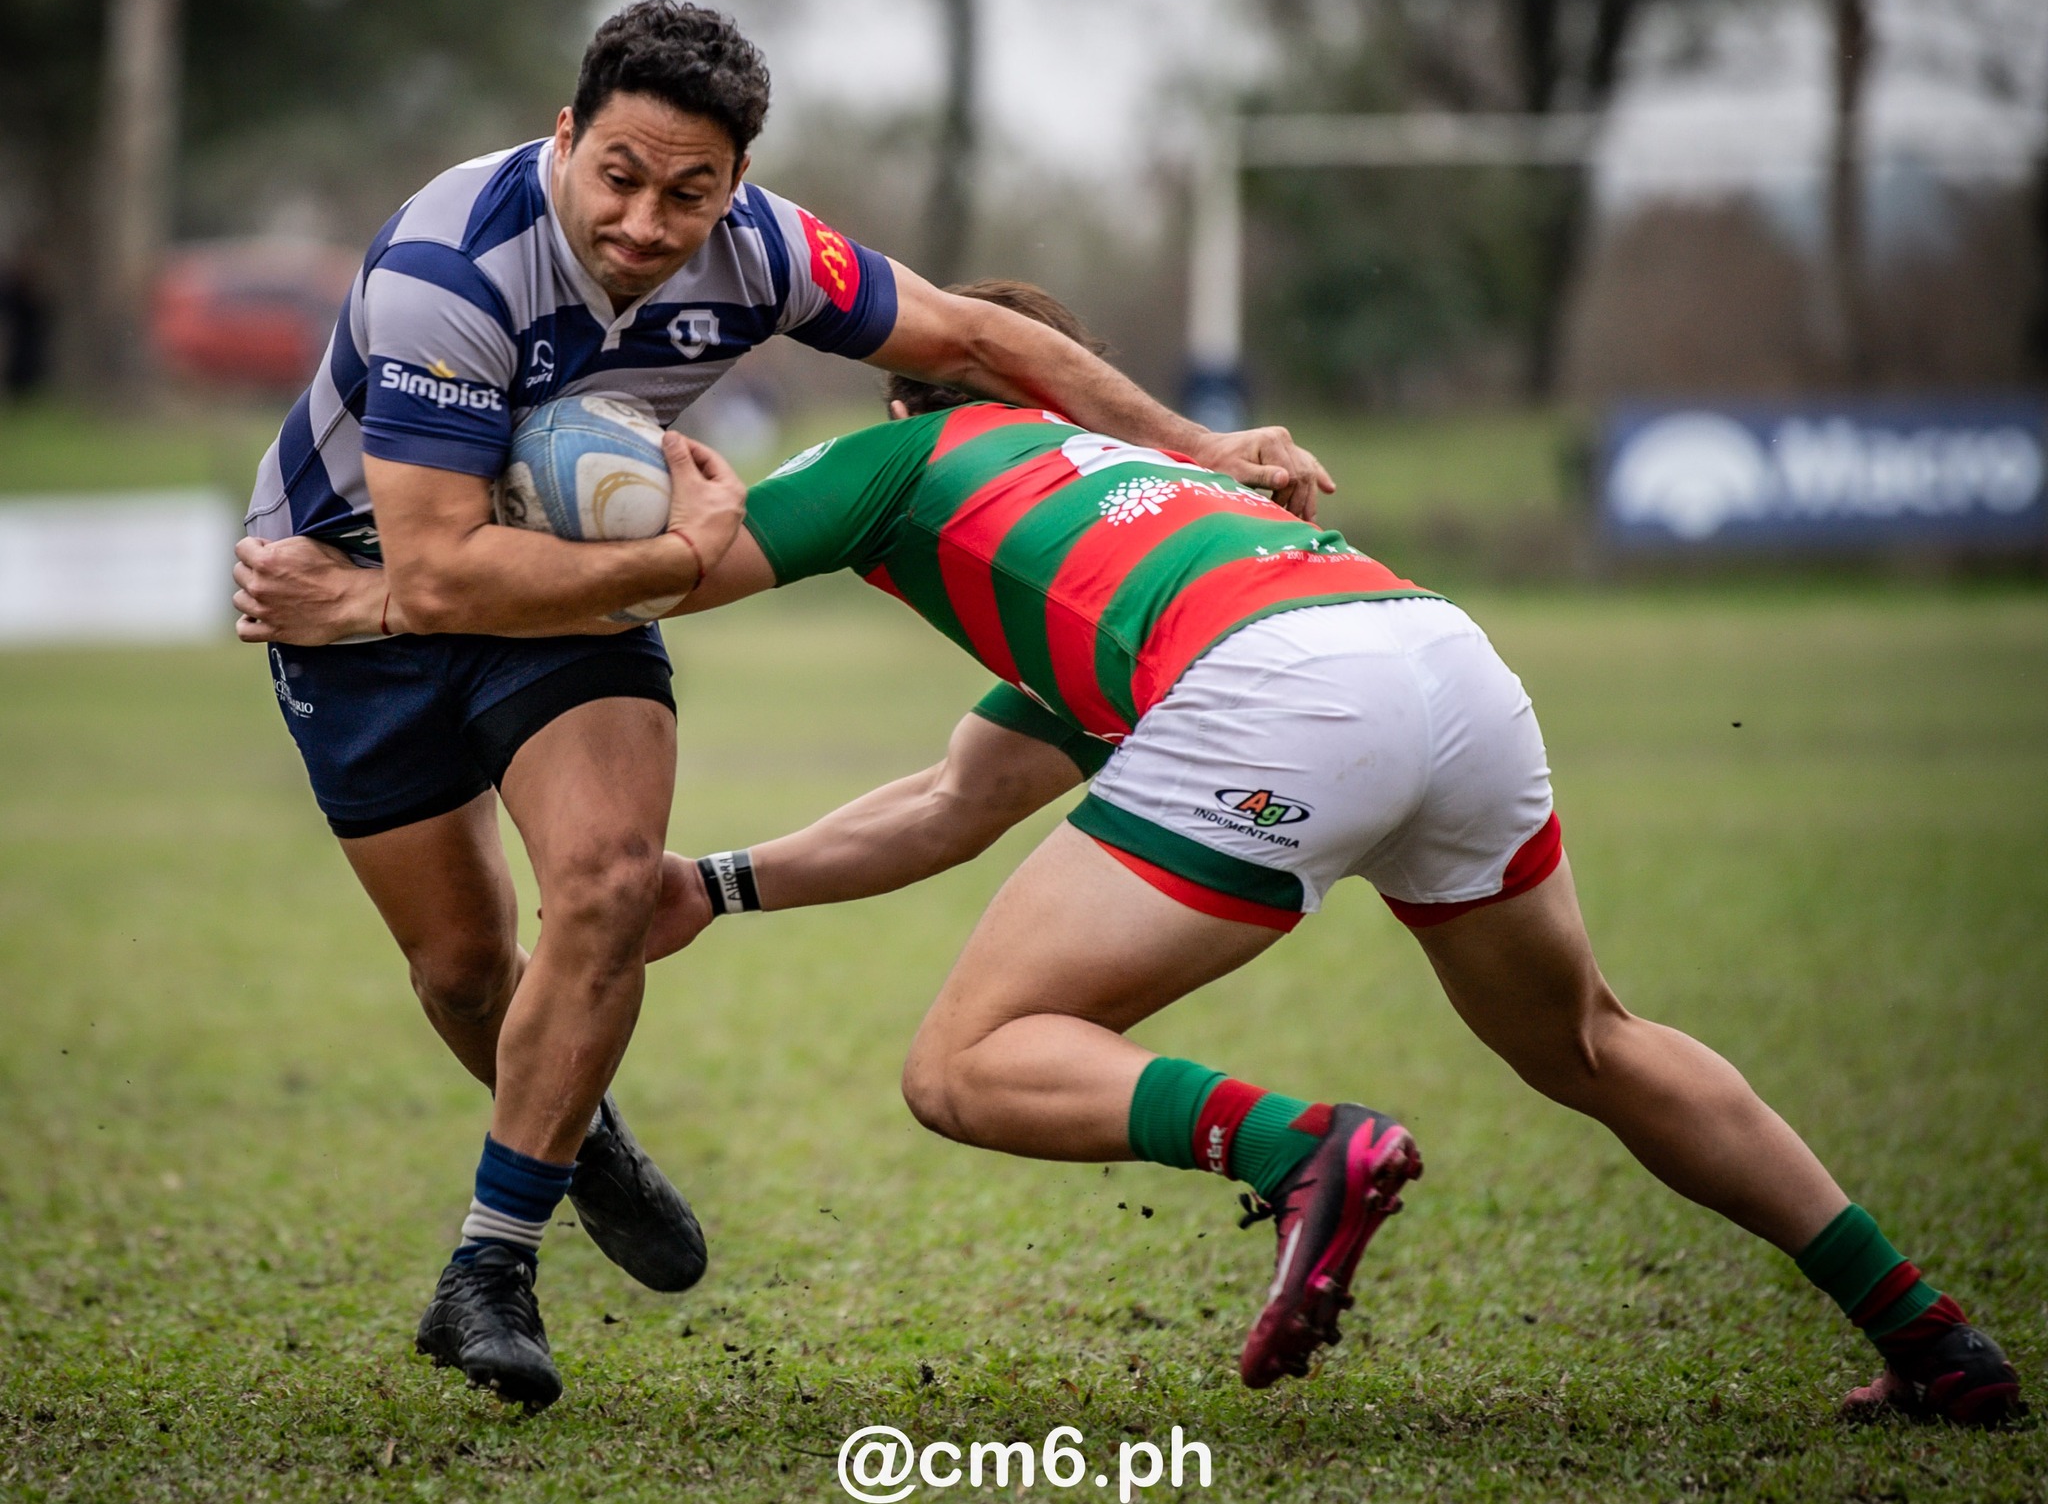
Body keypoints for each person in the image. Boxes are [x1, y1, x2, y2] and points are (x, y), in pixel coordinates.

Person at [255, 279, 2024, 1424]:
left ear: (923, 394)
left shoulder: (908, 457)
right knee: (1592, 1039)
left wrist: (568, 530)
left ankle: (1308, 1146)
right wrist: (714, 886)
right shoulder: (1132, 501)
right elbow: (954, 801)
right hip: (1441, 657)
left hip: (1277, 695)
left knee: (964, 1066)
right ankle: (1928, 1332)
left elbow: (646, 581)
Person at [231, 2, 1333, 1412]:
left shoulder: (764, 251)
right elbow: (439, 569)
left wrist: (1198, 444)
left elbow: (984, 339)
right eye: (619, 174)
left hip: (563, 595)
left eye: (690, 190)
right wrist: (669, 558)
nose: (646, 219)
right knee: (461, 964)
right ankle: (582, 1134)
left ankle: (489, 1266)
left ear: (736, 184)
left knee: (611, 881)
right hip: (358, 597)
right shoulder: (453, 268)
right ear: (565, 136)